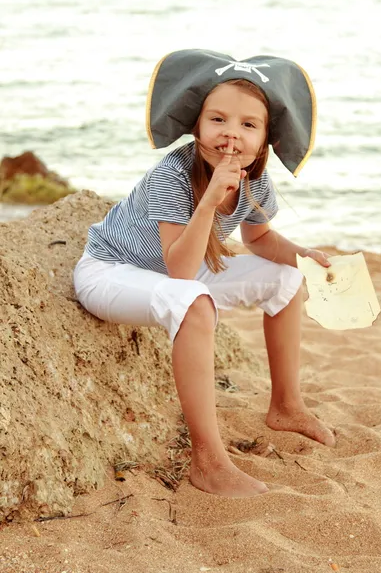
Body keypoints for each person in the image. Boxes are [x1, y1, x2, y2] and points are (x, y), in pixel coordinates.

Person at [74, 49, 335, 499]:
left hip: (181, 273)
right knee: (194, 302)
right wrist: (210, 200)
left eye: (248, 125)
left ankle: (287, 406)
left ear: (265, 139)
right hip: (113, 272)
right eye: (218, 120)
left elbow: (260, 241)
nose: (231, 134)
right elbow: (178, 268)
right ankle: (208, 460)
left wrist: (305, 256)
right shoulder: (173, 175)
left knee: (286, 279)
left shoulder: (256, 183)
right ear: (198, 126)